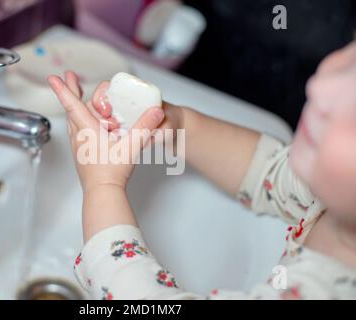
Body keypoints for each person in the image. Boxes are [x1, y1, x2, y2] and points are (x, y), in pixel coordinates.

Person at [47, 40, 356, 300]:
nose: (321, 84)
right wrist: (173, 125)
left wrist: (103, 187)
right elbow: (269, 174)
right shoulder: (332, 200)